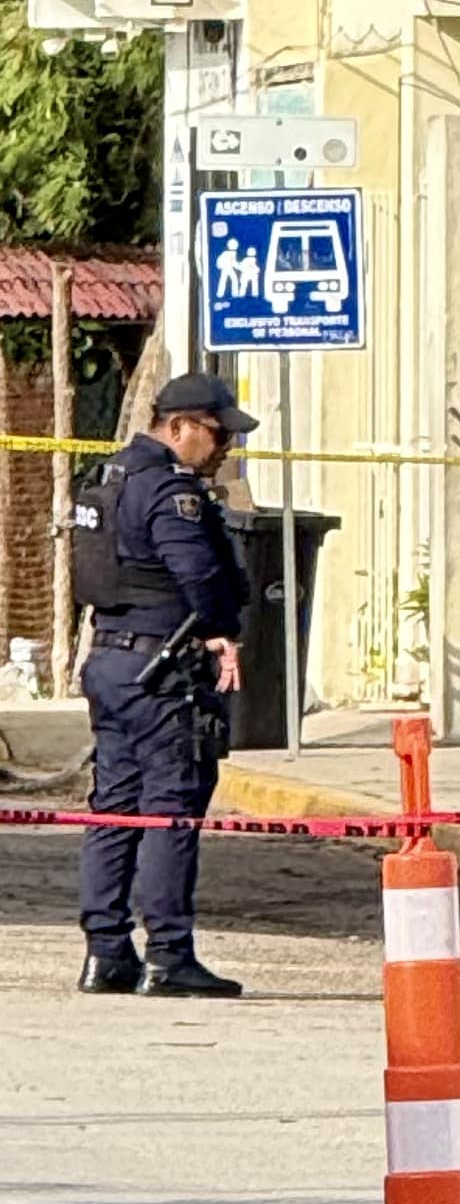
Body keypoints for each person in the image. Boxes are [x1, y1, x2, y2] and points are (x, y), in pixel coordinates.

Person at [74, 373, 257, 998]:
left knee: (115, 805)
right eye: (217, 432)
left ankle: (106, 952)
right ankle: (169, 955)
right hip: (161, 670)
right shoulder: (169, 492)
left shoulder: (106, 480)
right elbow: (199, 575)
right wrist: (222, 629)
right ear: (177, 427)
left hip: (112, 661)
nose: (226, 446)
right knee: (170, 808)